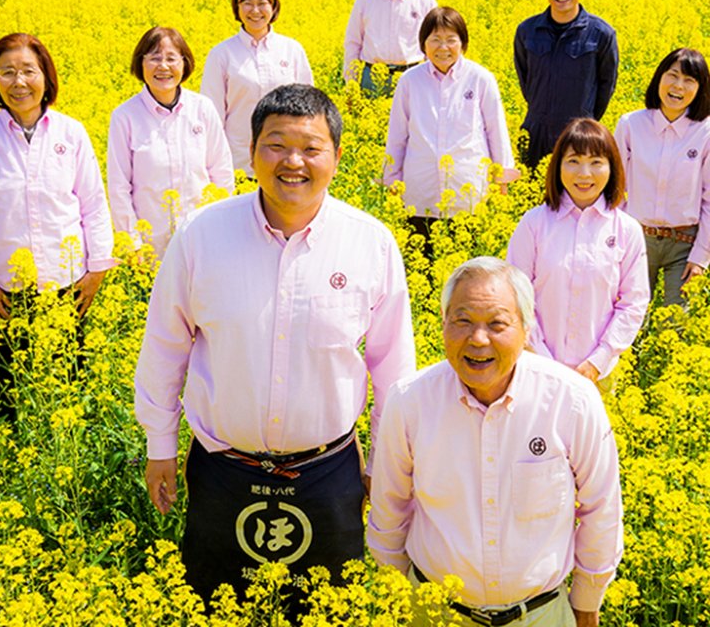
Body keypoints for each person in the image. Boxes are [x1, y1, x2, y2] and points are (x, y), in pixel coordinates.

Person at [135, 84, 416, 608]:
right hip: (222, 470)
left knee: (329, 609)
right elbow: (165, 349)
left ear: (336, 155)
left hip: (329, 474)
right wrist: (159, 446)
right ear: (251, 151)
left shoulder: (370, 242)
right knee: (216, 606)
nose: (294, 161)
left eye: (311, 148)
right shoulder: (201, 235)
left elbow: (393, 369)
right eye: (276, 144)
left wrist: (384, 464)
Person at [368, 257, 623, 627]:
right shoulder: (409, 402)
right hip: (435, 612)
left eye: (497, 323)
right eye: (463, 321)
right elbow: (389, 511)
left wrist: (587, 601)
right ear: (443, 325)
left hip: (540, 615)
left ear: (526, 329)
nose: (478, 339)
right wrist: (396, 599)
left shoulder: (572, 400)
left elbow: (602, 509)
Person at [0, 33, 114, 408]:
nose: (19, 82)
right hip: (3, 294)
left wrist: (96, 272)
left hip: (67, 286)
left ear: (46, 76)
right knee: (6, 399)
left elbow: (93, 204)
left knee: (68, 395)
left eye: (28, 70)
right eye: (7, 72)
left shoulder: (70, 132)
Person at [506, 118, 649, 382]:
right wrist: (542, 358)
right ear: (558, 165)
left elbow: (633, 303)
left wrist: (599, 359)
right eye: (573, 161)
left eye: (596, 162)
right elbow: (516, 297)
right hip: (535, 367)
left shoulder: (627, 230)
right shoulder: (534, 223)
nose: (584, 173)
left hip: (599, 373)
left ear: (612, 168)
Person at [383, 6, 515, 243]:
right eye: (435, 40)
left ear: (463, 43)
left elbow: (496, 131)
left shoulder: (480, 78)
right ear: (423, 44)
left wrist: (502, 179)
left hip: (468, 190)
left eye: (451, 40)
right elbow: (397, 135)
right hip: (420, 191)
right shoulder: (409, 81)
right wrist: (392, 179)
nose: (443, 48)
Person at [107, 27, 234, 259]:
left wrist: (223, 228)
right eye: (154, 58)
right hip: (151, 246)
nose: (163, 66)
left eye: (171, 58)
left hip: (203, 237)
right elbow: (119, 186)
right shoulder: (125, 117)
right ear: (140, 64)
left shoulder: (202, 108)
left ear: (184, 64)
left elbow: (221, 172)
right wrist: (133, 243)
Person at [615, 48, 710, 306]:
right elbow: (613, 187)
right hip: (636, 239)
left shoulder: (705, 132)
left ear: (700, 89)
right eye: (673, 75)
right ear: (659, 77)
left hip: (684, 244)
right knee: (627, 319)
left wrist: (701, 256)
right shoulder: (631, 125)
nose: (678, 86)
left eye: (689, 80)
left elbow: (709, 200)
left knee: (675, 326)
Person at [514, 0, 618, 170]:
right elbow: (526, 81)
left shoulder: (602, 34)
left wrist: (584, 119)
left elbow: (606, 86)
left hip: (578, 138)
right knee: (534, 199)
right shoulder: (527, 31)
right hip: (536, 135)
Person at [201, 0, 313, 176]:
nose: (255, 11)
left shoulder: (291, 49)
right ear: (237, 7)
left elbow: (308, 109)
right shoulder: (221, 54)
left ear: (273, 6)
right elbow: (212, 116)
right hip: (238, 161)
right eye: (247, 3)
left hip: (287, 159)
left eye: (262, 3)